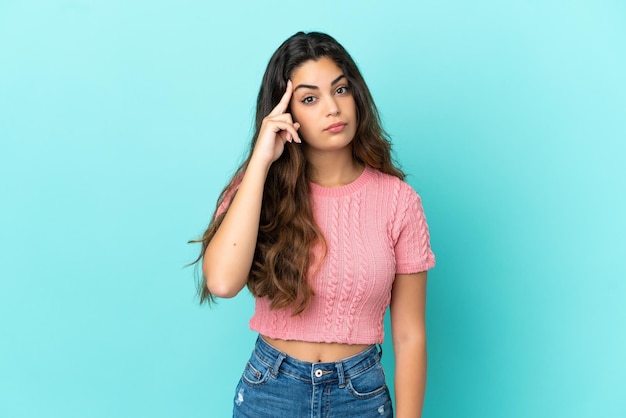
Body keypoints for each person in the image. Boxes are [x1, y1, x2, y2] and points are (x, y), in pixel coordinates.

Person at [194, 31, 435, 417]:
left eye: (340, 90)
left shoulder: (398, 202)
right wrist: (260, 161)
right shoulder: (257, 191)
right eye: (310, 98)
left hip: (360, 394)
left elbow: (409, 337)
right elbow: (222, 283)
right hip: (271, 389)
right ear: (284, 113)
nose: (333, 109)